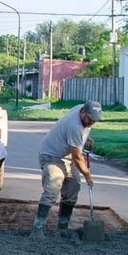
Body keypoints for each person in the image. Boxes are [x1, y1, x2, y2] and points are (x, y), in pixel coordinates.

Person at [34, 100, 102, 234]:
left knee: (73, 188)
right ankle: (38, 228)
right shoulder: (75, 126)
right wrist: (87, 175)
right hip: (51, 155)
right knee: (53, 186)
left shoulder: (80, 110)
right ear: (83, 112)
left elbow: (77, 146)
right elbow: (77, 157)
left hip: (67, 156)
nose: (92, 122)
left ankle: (62, 227)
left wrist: (85, 139)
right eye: (90, 119)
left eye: (95, 120)